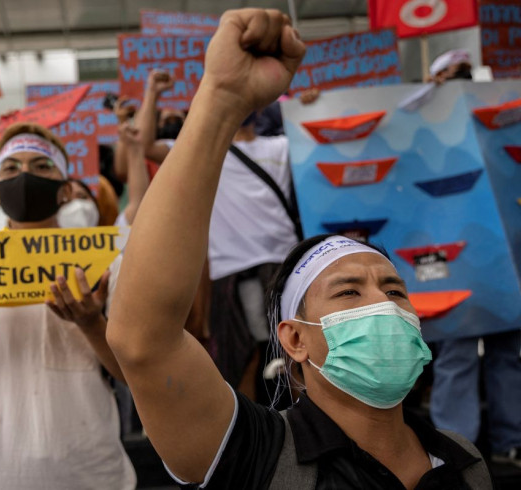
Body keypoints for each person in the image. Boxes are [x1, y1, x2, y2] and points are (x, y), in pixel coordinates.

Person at [106, 8, 491, 489]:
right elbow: (143, 340)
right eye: (349, 293)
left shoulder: (465, 462)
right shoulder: (258, 454)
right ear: (293, 339)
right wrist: (221, 97)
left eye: (395, 291)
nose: (382, 306)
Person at [0, 122, 136, 490]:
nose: (25, 175)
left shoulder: (105, 265)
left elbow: (135, 375)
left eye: (41, 165)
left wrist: (92, 324)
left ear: (65, 192)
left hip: (91, 473)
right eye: (11, 168)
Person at [139, 69, 301, 403]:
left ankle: (304, 430)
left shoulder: (283, 146)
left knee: (296, 356)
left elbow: (325, 137)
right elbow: (146, 145)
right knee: (240, 360)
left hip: (283, 266)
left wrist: (310, 106)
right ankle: (258, 438)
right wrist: (152, 92)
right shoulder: (202, 150)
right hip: (231, 271)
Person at [426, 49, 521, 468]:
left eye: (464, 70)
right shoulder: (424, 119)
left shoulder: (500, 117)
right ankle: (457, 449)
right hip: (457, 259)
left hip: (507, 259)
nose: (459, 78)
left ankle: (509, 443)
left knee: (508, 351)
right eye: (449, 73)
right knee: (457, 354)